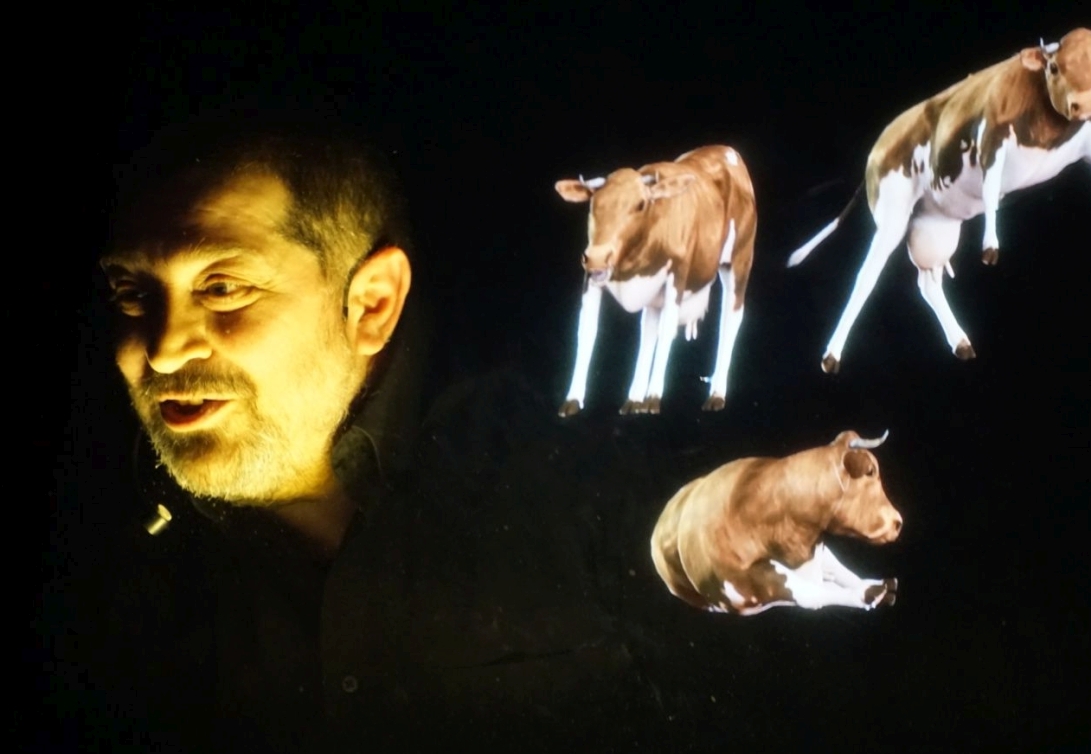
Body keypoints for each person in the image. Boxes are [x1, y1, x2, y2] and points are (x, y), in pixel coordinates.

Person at [57, 115, 672, 753]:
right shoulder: (108, 551)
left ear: (371, 304)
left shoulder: (579, 486)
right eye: (132, 293)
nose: (162, 350)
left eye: (222, 287)